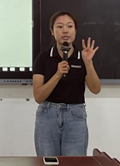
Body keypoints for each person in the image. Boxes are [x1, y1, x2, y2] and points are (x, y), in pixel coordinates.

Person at [33, 10, 101, 157]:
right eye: (59, 26)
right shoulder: (43, 58)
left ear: (75, 31)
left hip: (75, 116)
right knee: (47, 162)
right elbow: (38, 97)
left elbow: (96, 89)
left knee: (74, 162)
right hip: (47, 114)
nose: (65, 31)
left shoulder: (83, 57)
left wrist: (88, 63)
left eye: (70, 26)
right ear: (52, 31)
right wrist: (57, 74)